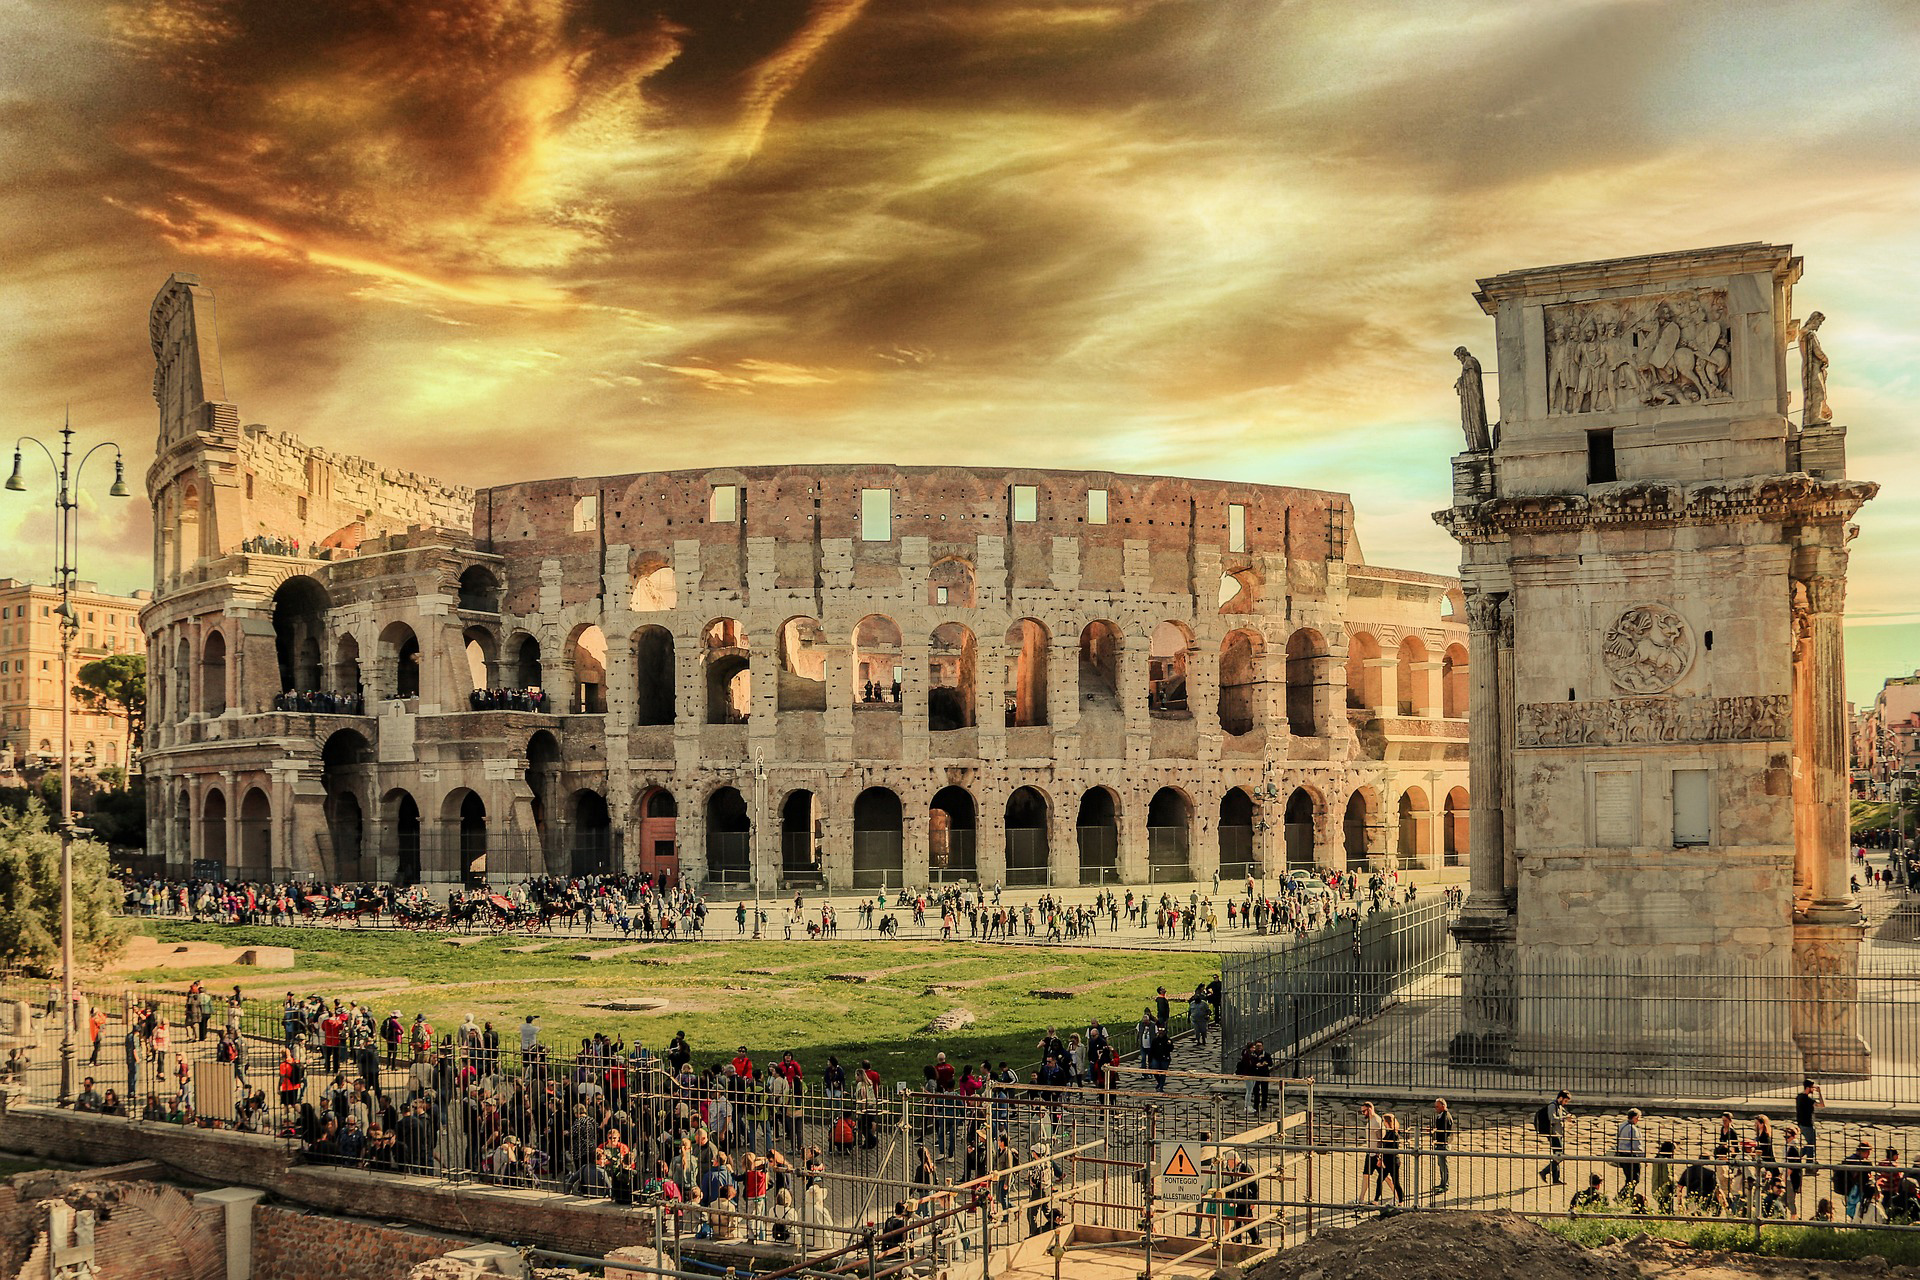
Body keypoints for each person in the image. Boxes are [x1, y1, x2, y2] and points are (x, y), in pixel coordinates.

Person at [1536, 1090, 1571, 1186]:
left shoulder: (1559, 1106)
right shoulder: (1552, 1106)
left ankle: (1556, 1179)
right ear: (1560, 1098)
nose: (1565, 1103)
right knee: (1560, 1156)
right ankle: (1544, 1172)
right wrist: (1564, 1118)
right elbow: (1552, 1119)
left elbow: (1563, 1115)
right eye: (1565, 1101)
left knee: (1557, 1156)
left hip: (1558, 1134)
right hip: (1553, 1134)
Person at [1614, 1107, 1646, 1199]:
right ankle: (1624, 1196)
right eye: (1638, 1118)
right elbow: (1637, 1145)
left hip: (1621, 1154)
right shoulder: (1633, 1129)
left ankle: (1623, 1195)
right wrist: (1642, 1157)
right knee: (1634, 1179)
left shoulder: (1621, 1125)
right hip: (1631, 1156)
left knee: (1629, 1178)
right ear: (1635, 1117)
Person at [1430, 1098, 1453, 1195]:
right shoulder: (1441, 1115)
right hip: (1440, 1142)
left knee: (1443, 1165)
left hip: (1443, 1143)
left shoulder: (1445, 1117)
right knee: (1441, 1165)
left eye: (1437, 1106)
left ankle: (1445, 1185)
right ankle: (1442, 1183)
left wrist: (1435, 1136)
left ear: (1443, 1106)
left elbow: (1444, 1132)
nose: (1436, 1108)